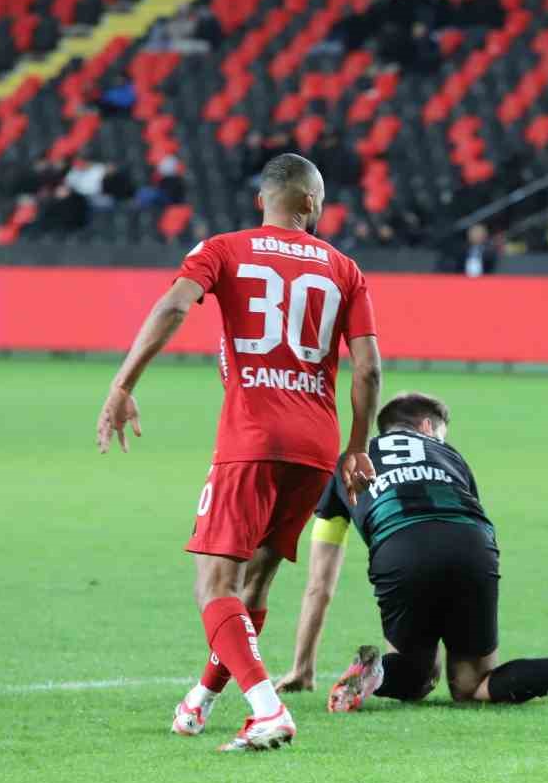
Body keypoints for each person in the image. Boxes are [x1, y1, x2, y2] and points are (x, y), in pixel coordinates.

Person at [95, 153, 383, 751]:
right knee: (253, 588)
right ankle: (200, 700)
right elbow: (369, 371)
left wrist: (123, 385)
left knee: (214, 586)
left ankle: (267, 709)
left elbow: (174, 306)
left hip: (252, 438)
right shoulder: (345, 269)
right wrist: (356, 447)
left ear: (263, 201)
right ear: (309, 203)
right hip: (314, 446)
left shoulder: (224, 248)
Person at [273, 392, 548, 716]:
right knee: (471, 685)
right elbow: (473, 513)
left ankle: (377, 673)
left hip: (400, 550)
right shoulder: (450, 455)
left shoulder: (345, 465)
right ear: (428, 426)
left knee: (418, 676)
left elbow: (318, 585)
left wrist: (303, 667)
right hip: (472, 545)